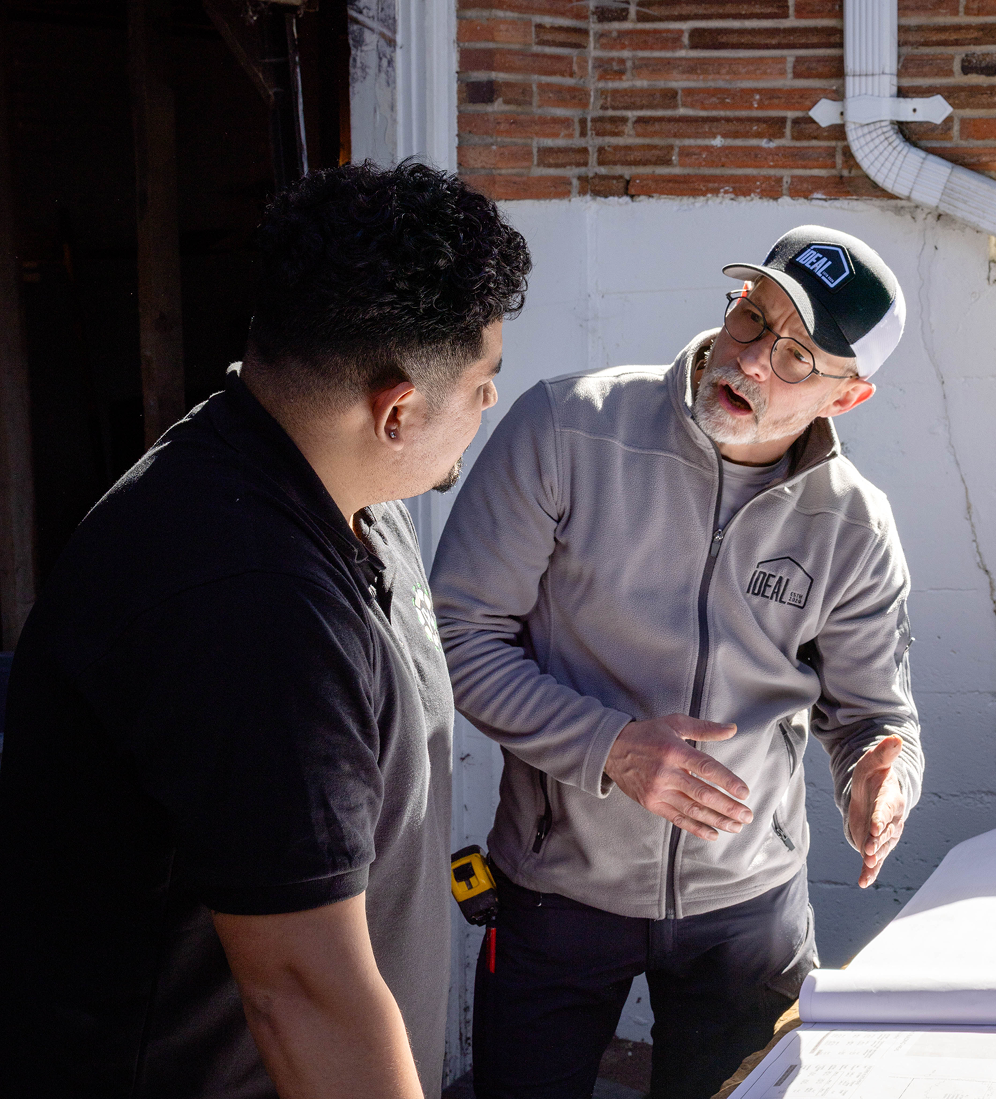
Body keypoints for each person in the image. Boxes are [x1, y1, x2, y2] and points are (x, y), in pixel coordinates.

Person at [0, 161, 530, 1099]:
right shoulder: (248, 597)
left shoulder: (351, 494)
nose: (487, 406)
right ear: (398, 409)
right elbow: (300, 991)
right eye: (483, 384)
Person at [431, 225, 923, 1099]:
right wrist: (611, 746)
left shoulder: (855, 525)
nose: (755, 362)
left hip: (748, 912)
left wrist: (881, 777)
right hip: (554, 890)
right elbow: (459, 636)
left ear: (849, 399)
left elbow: (874, 718)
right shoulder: (565, 428)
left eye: (799, 356)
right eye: (752, 317)